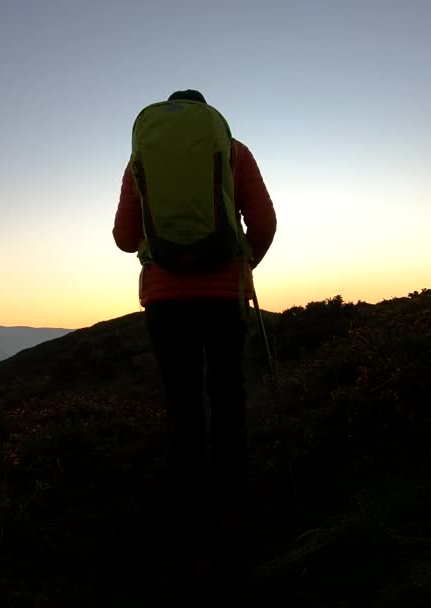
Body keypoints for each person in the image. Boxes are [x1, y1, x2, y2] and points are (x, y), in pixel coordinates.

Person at [112, 89, 276, 576]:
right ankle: (232, 508)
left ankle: (188, 513)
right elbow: (264, 222)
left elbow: (124, 238)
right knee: (227, 394)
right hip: (224, 293)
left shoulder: (139, 161)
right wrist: (243, 261)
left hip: (165, 300)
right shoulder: (234, 150)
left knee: (183, 401)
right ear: (210, 117)